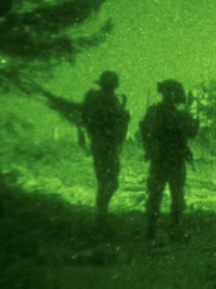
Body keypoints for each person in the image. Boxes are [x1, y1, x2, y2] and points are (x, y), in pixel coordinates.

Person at [139, 79, 199, 242]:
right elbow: (193, 131)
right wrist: (194, 114)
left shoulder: (154, 112)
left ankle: (152, 230)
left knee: (156, 196)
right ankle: (173, 229)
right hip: (173, 161)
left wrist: (151, 150)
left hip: (161, 161)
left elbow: (145, 133)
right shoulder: (180, 115)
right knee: (175, 195)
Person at [82, 71, 130, 231]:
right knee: (110, 182)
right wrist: (124, 115)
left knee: (105, 181)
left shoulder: (95, 98)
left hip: (99, 144)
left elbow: (87, 120)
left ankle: (101, 217)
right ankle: (100, 219)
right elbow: (114, 121)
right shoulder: (109, 100)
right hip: (107, 145)